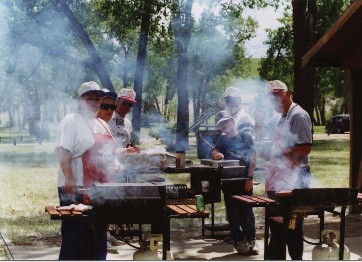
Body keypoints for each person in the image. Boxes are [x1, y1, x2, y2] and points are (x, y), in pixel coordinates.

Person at [56, 81, 117, 260]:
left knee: (98, 236)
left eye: (97, 99)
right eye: (89, 98)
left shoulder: (101, 123)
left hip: (99, 188)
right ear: (80, 100)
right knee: (76, 236)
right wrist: (69, 178)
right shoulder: (71, 120)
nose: (94, 102)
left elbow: (108, 153)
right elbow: (63, 150)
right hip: (76, 187)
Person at [261, 80, 313, 260]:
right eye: (270, 97)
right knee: (277, 226)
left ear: (287, 93)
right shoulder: (282, 116)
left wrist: (279, 156)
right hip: (280, 178)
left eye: (277, 95)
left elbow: (305, 148)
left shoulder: (298, 115)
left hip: (295, 178)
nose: (273, 100)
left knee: (292, 227)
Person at [211, 116, 258, 255]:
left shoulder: (245, 137)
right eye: (221, 125)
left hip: (244, 181)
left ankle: (251, 241)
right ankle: (239, 243)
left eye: (226, 123)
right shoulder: (222, 139)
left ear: (232, 122)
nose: (224, 126)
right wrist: (216, 154)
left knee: (247, 213)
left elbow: (253, 157)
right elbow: (214, 151)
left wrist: (249, 177)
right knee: (233, 215)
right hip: (228, 183)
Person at [109, 88, 140, 153]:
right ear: (117, 101)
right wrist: (125, 150)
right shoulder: (108, 118)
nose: (126, 107)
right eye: (124, 103)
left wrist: (132, 148)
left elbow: (126, 143)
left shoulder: (128, 123)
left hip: (123, 161)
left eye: (130, 105)